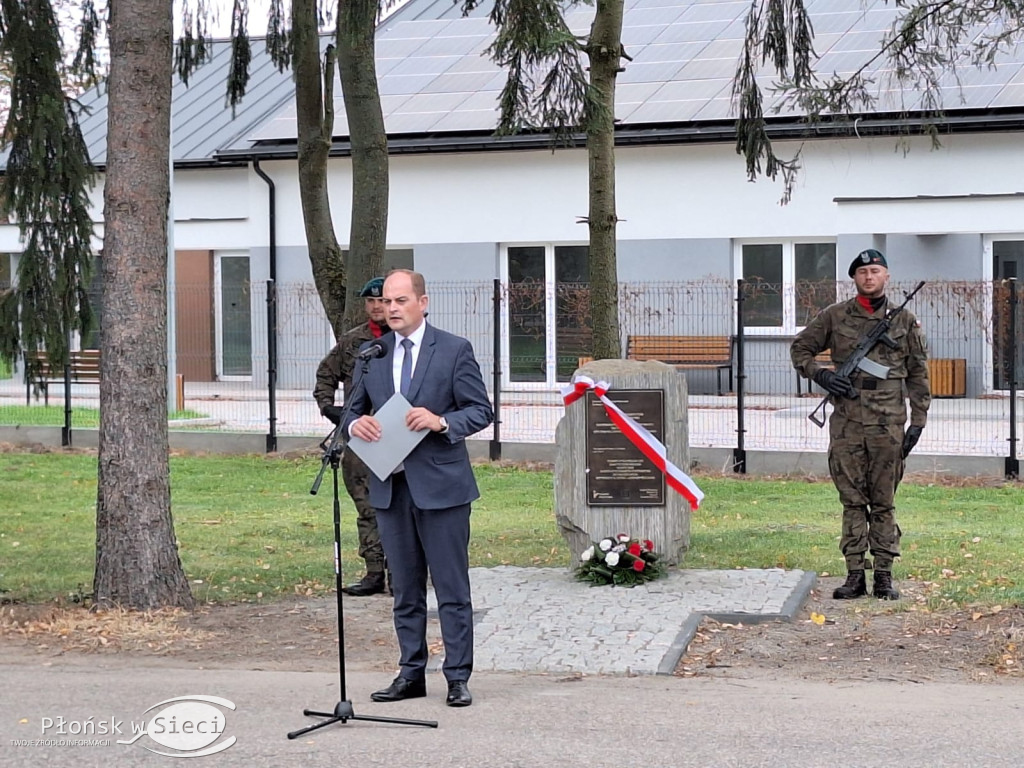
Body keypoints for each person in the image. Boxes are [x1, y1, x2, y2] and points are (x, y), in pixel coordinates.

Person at [344, 269, 493, 708]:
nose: (391, 308)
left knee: (450, 588)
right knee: (405, 589)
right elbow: (349, 413)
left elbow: (480, 410)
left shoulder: (452, 350)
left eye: (400, 300)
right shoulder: (371, 354)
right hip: (391, 486)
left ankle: (457, 677)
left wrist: (441, 421)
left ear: (422, 302)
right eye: (386, 302)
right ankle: (411, 673)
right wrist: (357, 423)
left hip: (442, 487)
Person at [791, 249, 930, 601]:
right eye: (863, 272)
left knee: (883, 501)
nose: (869, 277)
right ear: (854, 278)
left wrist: (919, 420)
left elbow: (917, 373)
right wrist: (822, 375)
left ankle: (883, 574)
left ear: (886, 276)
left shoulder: (904, 321)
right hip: (848, 421)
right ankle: (854, 574)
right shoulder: (835, 317)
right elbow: (800, 349)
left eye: (875, 271)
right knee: (852, 500)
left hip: (888, 422)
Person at [313, 277, 391, 597]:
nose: (376, 306)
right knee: (366, 504)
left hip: (398, 433)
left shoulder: (405, 339)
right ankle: (374, 571)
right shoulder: (352, 341)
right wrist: (331, 409)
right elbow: (325, 376)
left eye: (383, 301)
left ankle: (401, 571)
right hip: (360, 435)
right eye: (370, 301)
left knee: (402, 506)